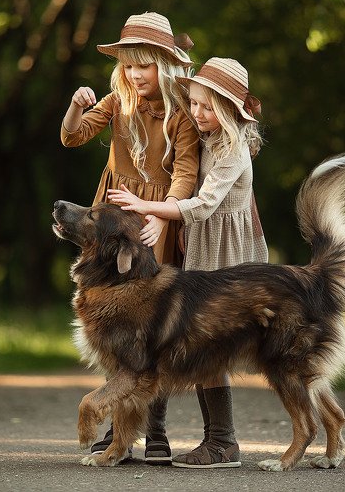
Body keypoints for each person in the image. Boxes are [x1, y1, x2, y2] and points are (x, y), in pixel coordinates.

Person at [107, 57, 269, 469]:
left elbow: (204, 203)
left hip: (227, 256)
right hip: (204, 247)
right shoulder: (210, 140)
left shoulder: (233, 150)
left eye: (207, 107)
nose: (197, 113)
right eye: (194, 104)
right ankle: (217, 441)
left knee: (212, 347)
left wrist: (149, 207)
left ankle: (223, 442)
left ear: (232, 110)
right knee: (201, 346)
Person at [60, 12, 200, 464]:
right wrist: (77, 106)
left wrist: (163, 214)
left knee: (150, 326)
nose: (137, 74)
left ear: (165, 63)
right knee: (115, 326)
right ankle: (118, 431)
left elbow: (185, 172)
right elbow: (72, 136)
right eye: (129, 65)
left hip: (154, 219)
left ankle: (155, 430)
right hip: (116, 215)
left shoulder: (180, 112)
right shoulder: (115, 100)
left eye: (146, 65)